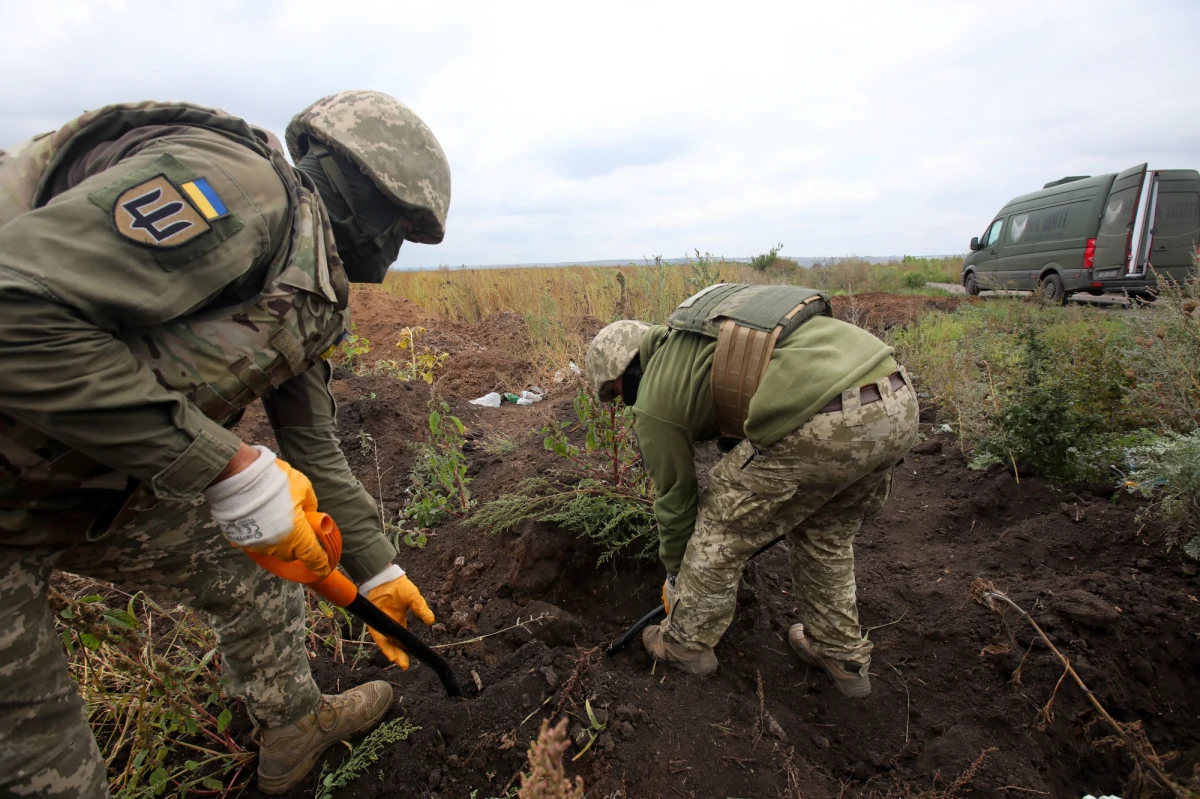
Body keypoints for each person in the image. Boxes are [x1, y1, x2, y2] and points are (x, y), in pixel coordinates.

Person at [0, 91, 450, 796]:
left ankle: (296, 725)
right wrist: (227, 465)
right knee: (52, 774)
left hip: (70, 474)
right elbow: (12, 310)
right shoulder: (240, 190)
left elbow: (313, 444)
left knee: (261, 565)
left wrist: (376, 569)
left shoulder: (312, 286)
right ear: (365, 192)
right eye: (403, 223)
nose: (395, 247)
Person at [585, 283, 917, 697]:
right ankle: (841, 655)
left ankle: (686, 643)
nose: (623, 404)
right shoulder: (696, 340)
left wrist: (677, 575)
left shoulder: (655, 396)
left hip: (826, 418)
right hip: (896, 401)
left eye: (616, 395)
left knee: (722, 525)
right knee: (824, 535)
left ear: (623, 373)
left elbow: (675, 499)